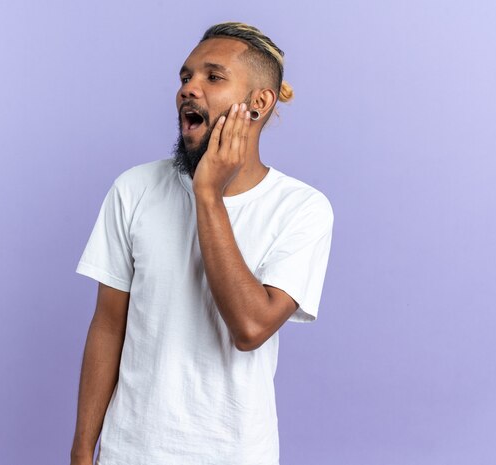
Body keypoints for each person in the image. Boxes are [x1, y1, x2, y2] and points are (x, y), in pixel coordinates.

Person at [70, 21, 334, 465]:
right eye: (185, 77)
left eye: (213, 77)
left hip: (236, 452)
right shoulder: (134, 189)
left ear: (259, 103)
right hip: (130, 452)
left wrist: (207, 194)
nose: (189, 89)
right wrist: (81, 451)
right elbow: (108, 325)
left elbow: (251, 329)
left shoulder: (302, 208)